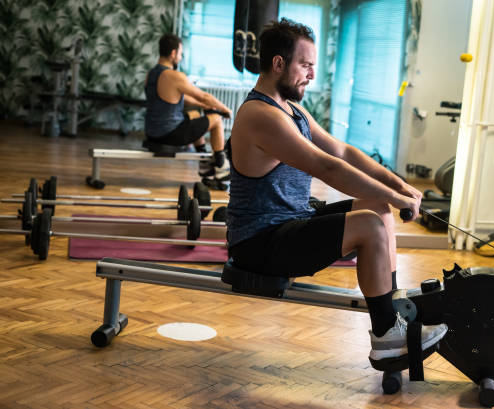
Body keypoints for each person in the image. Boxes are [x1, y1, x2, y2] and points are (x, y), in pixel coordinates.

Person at [226, 18, 447, 367]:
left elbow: (341, 152)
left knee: (376, 208)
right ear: (278, 64)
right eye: (306, 65)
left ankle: (390, 307)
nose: (311, 75)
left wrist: (398, 186)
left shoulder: (291, 109)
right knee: (370, 226)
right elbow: (327, 168)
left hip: (290, 222)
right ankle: (387, 335)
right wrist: (398, 198)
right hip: (259, 242)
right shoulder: (259, 114)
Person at [144, 34, 233, 184]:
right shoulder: (174, 76)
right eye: (180, 54)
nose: (180, 57)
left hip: (151, 132)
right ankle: (221, 167)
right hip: (169, 134)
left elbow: (176, 98)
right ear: (173, 53)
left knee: (194, 115)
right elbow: (204, 96)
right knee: (216, 120)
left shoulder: (151, 74)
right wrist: (226, 110)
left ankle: (204, 163)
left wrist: (202, 106)